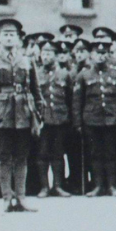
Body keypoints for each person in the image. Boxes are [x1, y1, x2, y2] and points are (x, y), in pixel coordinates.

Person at [0, 18, 42, 212]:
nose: (9, 38)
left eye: (12, 35)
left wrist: (38, 115)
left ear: (18, 38)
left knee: (22, 157)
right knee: (3, 157)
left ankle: (21, 198)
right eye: (5, 34)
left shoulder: (27, 60)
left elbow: (36, 90)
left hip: (23, 113)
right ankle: (6, 198)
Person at [73, 40, 116, 197]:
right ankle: (98, 186)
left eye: (104, 53)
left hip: (112, 119)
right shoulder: (83, 75)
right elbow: (77, 101)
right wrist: (78, 122)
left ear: (108, 55)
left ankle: (112, 186)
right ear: (92, 55)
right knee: (95, 154)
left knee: (111, 153)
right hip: (91, 120)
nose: (100, 56)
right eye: (97, 53)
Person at [34, 39, 74, 197]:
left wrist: (70, 119)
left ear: (57, 56)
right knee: (42, 153)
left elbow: (70, 98)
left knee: (58, 153)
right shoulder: (36, 73)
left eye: (49, 53)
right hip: (42, 120)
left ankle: (58, 186)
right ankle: (44, 187)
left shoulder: (65, 74)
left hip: (60, 119)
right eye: (44, 53)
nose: (46, 56)